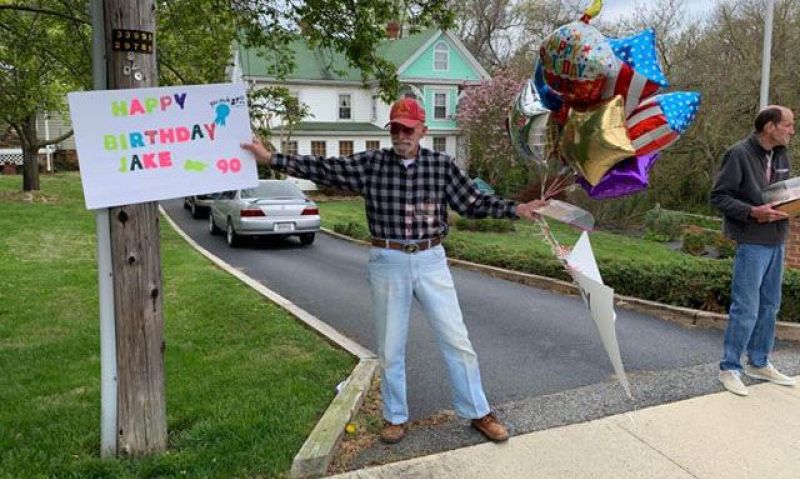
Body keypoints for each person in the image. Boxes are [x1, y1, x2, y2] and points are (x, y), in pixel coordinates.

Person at [242, 98, 545, 443]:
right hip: (388, 260)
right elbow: (325, 168)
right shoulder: (372, 164)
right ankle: (394, 416)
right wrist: (272, 159)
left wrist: (516, 208)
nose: (401, 135)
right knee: (390, 345)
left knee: (457, 340)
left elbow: (473, 202)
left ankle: (478, 411)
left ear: (423, 131)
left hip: (432, 260)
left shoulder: (442, 167)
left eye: (408, 129)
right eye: (396, 129)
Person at [711, 105, 796, 396]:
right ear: (770, 127)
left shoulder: (782, 154)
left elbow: (782, 192)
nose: (792, 131)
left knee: (770, 305)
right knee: (746, 307)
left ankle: (758, 362)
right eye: (788, 125)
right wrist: (752, 212)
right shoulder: (738, 154)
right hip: (752, 240)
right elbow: (719, 196)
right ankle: (730, 367)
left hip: (777, 239)